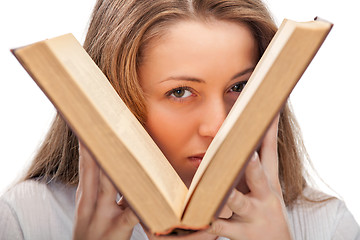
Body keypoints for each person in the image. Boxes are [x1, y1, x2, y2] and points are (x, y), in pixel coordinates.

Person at [1, 0, 359, 239]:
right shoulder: (27, 216)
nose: (218, 126)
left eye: (240, 86)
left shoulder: (325, 224)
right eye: (181, 92)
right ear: (115, 102)